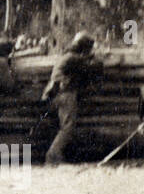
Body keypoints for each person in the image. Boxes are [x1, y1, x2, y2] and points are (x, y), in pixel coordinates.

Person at [41, 32, 100, 165]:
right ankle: (52, 156)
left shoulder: (67, 56)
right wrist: (94, 58)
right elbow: (93, 67)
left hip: (55, 94)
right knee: (67, 127)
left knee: (63, 126)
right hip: (65, 94)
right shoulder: (74, 58)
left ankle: (56, 155)